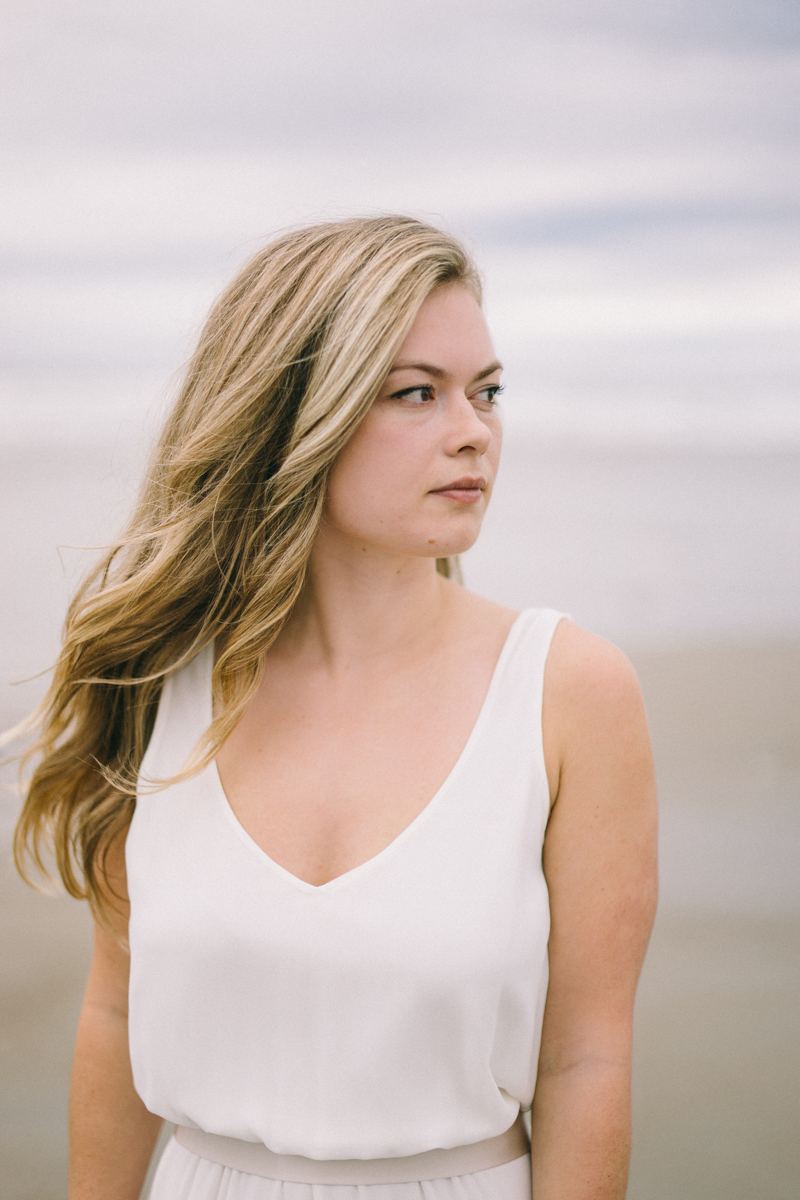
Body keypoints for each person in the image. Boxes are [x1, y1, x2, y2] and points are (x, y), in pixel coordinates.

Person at [14, 215, 658, 1200]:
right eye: (415, 393)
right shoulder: (158, 676)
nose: (472, 430)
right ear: (291, 412)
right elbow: (114, 1013)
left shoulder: (567, 691)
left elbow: (583, 1063)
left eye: (485, 392)